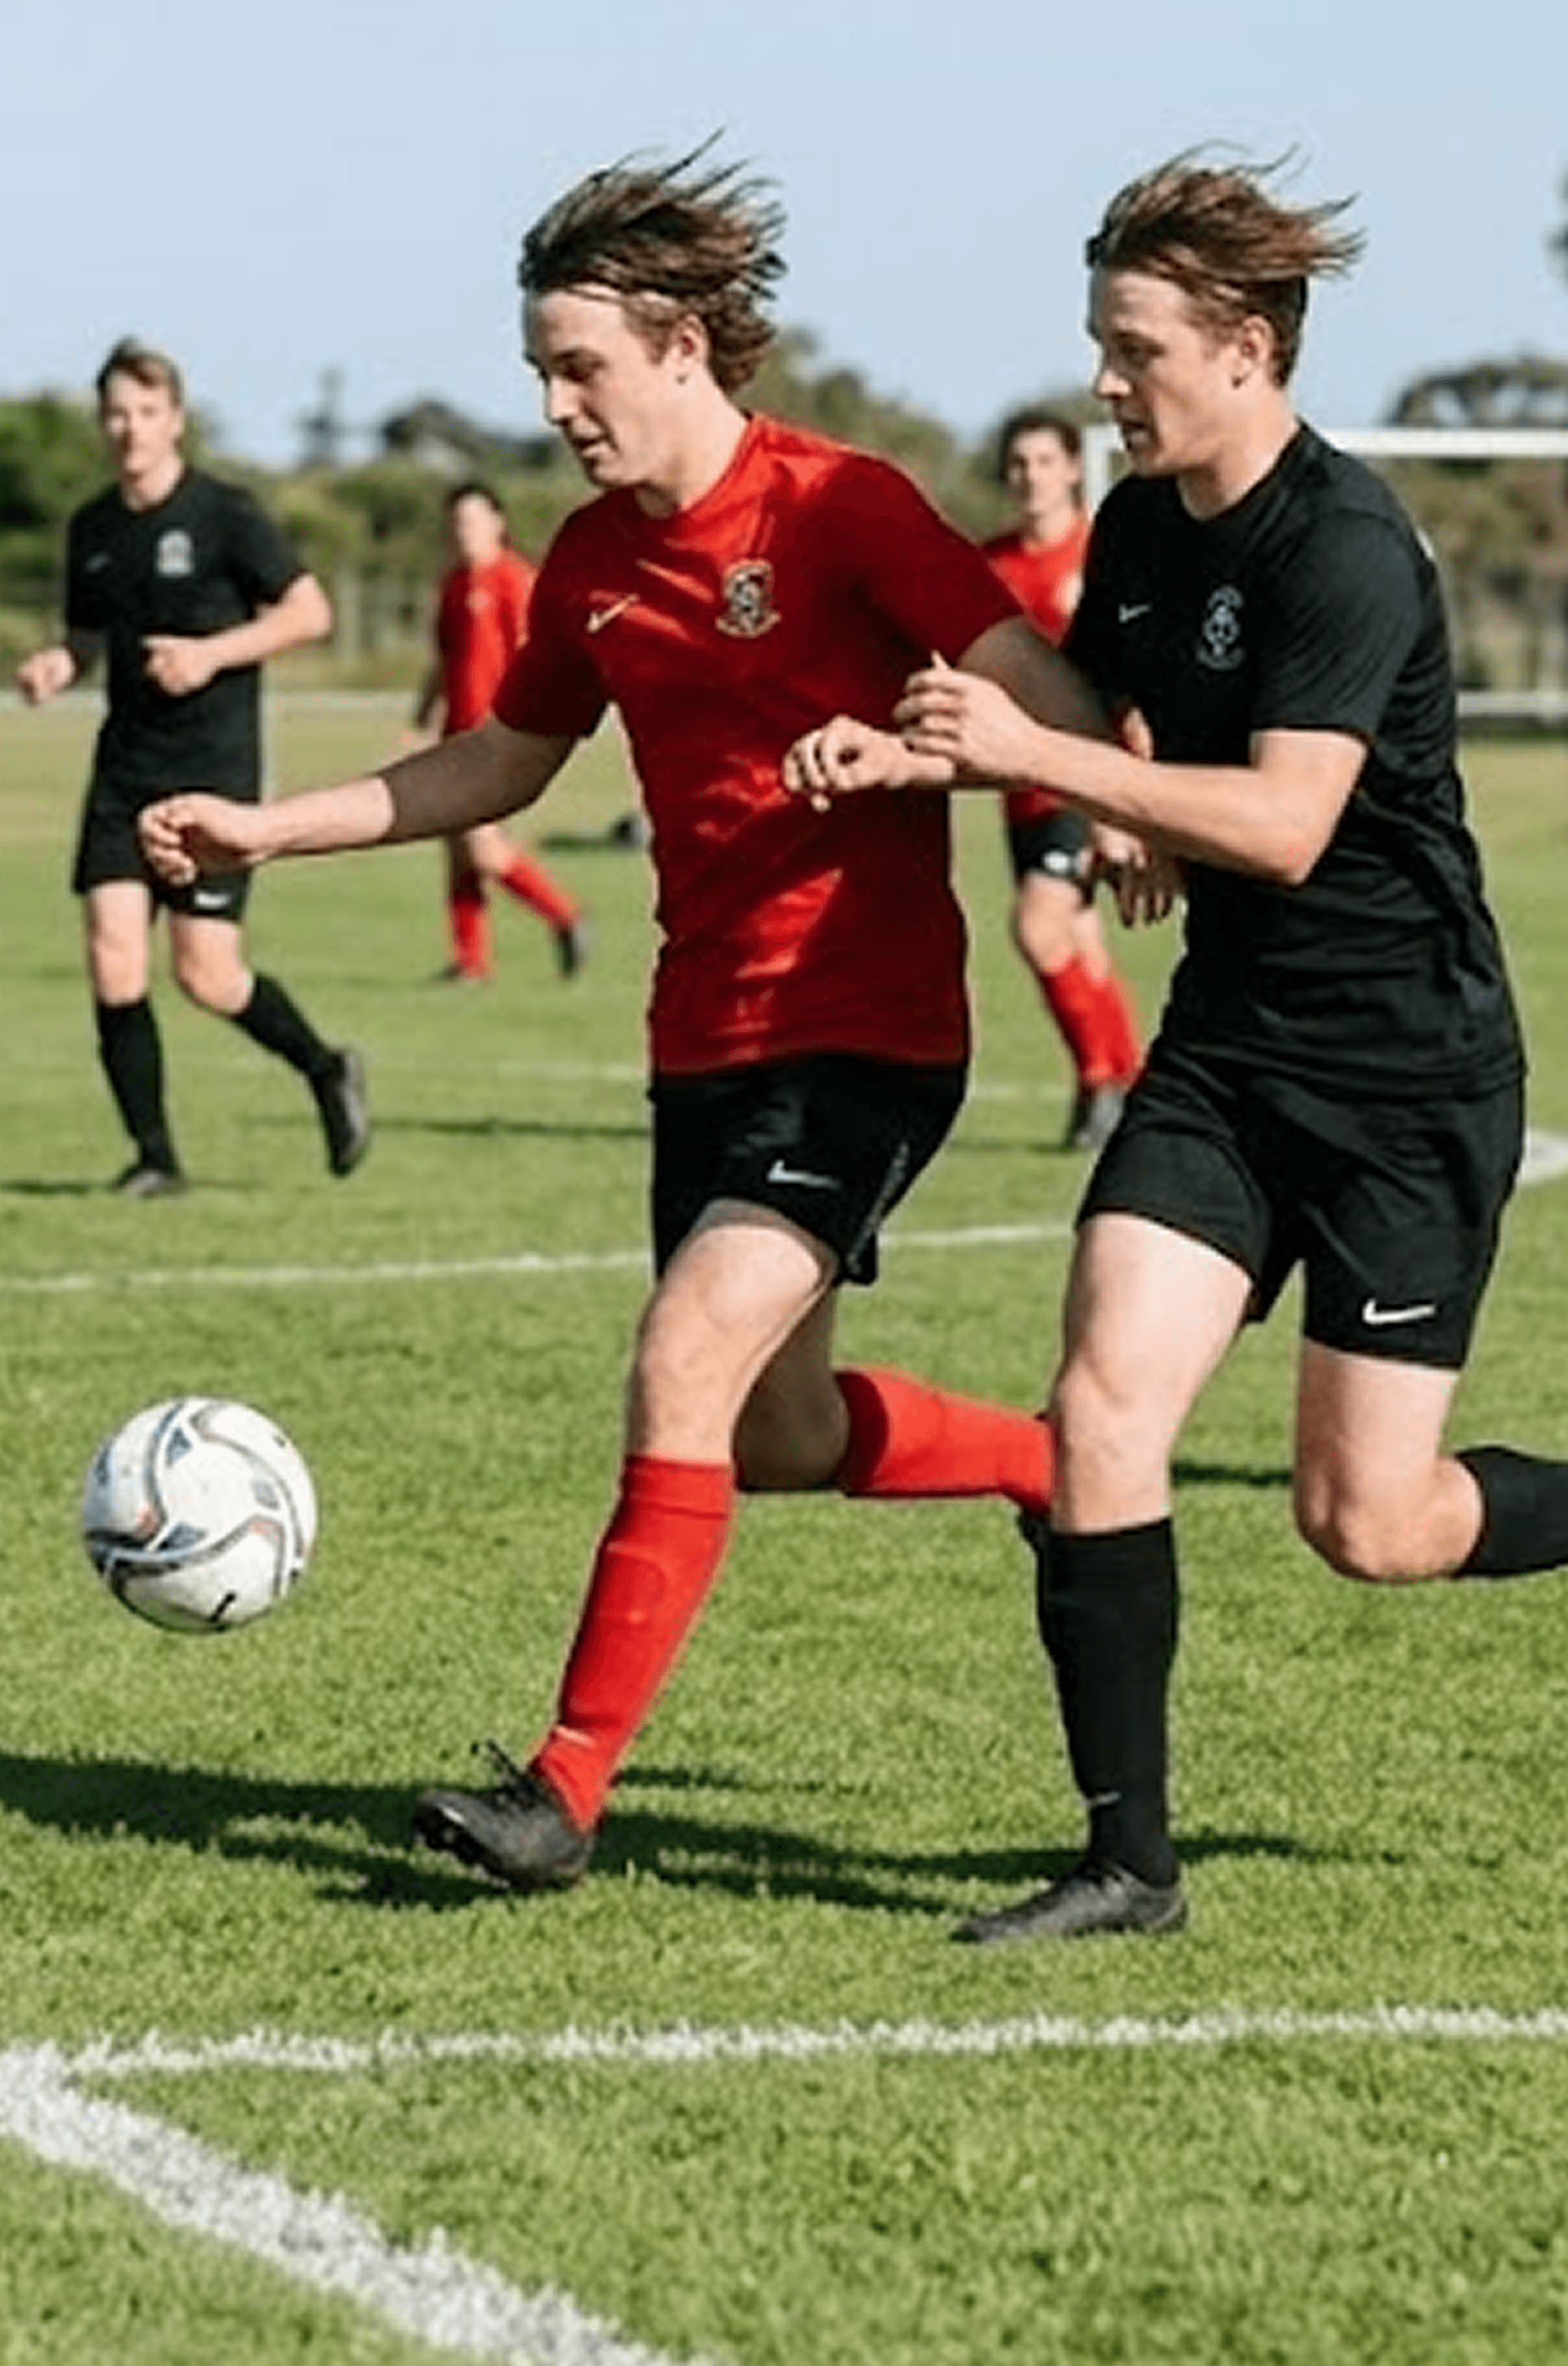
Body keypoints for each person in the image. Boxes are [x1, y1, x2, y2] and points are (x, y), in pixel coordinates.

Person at [817, 151, 1568, 1945]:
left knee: (1368, 1517)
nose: (1105, 382)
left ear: (1245, 349)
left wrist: (1065, 773)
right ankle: (1129, 1865)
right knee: (1100, 1408)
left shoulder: (1345, 545)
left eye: (1134, 349)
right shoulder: (1141, 525)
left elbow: (1281, 823)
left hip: (1409, 1077)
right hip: (1227, 1058)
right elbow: (1097, 704)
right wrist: (970, 754)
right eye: (1101, 345)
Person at [139, 145, 1091, 1894]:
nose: (555, 405)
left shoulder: (842, 505)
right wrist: (272, 827)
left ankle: (562, 1790)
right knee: (774, 1431)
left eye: (577, 367)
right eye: (537, 372)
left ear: (681, 346)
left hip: (867, 1027)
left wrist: (971, 770)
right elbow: (501, 761)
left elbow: (1041, 700)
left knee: (681, 1350)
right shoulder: (586, 561)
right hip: (699, 1038)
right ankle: (1052, 1462)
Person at [14, 338, 370, 1197]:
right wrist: (58, 663)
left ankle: (325, 1067)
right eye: (115, 413)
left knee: (205, 974)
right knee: (112, 960)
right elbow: (85, 639)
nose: (129, 429)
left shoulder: (225, 514)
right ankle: (155, 1159)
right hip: (123, 770)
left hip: (212, 770)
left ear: (174, 420)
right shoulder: (92, 527)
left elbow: (309, 612)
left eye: (146, 412)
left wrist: (212, 654)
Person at [981, 410, 1142, 1149]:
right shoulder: (991, 563)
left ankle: (1099, 1082)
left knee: (1038, 926)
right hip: (1017, 787)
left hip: (1083, 777)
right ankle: (1129, 1080)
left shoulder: (1102, 555)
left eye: (1045, 461)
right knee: (1079, 939)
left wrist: (1126, 790)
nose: (1031, 476)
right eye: (1019, 463)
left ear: (1074, 469)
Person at [412, 481, 591, 983]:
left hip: (496, 735)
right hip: (455, 735)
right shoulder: (453, 584)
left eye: (472, 520)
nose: (463, 531)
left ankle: (565, 917)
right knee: (458, 851)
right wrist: (420, 718)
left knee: (481, 847)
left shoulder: (515, 581)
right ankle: (472, 962)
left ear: (497, 523)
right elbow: (444, 660)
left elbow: (538, 655)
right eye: (456, 522)